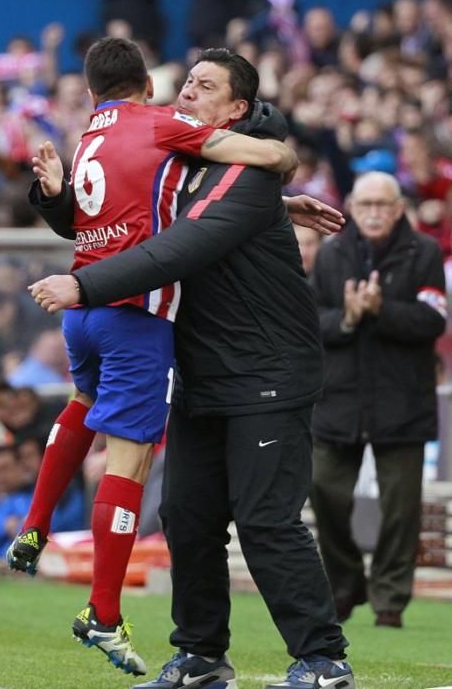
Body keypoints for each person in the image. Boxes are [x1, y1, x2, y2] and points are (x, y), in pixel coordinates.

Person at [28, 49, 354, 689]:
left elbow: (180, 245)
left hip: (267, 371)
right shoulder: (191, 161)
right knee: (188, 515)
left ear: (236, 111)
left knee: (265, 518)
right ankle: (201, 658)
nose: (185, 95)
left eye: (204, 88)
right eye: (186, 84)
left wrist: (84, 288)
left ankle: (323, 658)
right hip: (203, 372)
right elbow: (119, 218)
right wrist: (55, 198)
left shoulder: (244, 173)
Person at [308, 171, 446, 628]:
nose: (373, 213)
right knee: (324, 491)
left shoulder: (423, 252)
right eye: (365, 204)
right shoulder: (331, 254)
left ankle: (389, 599)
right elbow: (311, 323)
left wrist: (381, 311)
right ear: (350, 205)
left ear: (398, 207)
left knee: (401, 509)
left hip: (402, 402)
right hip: (339, 401)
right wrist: (348, 318)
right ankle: (346, 585)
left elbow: (433, 319)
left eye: (382, 204)